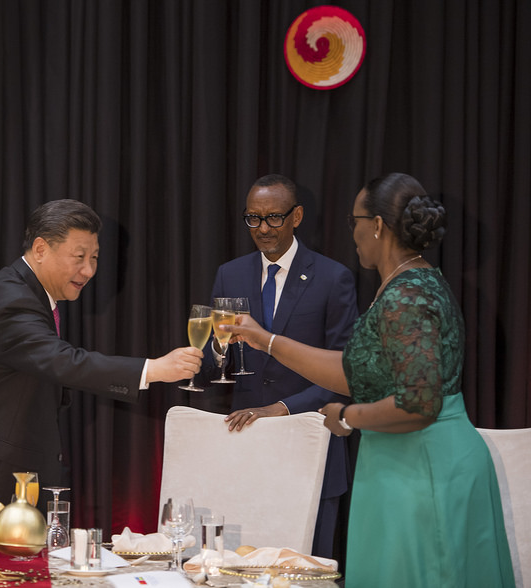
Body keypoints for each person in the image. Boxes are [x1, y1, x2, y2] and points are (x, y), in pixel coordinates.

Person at [220, 173, 514, 587]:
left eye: (354, 220)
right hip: (403, 463)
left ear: (376, 225)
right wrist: (263, 339)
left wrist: (348, 414)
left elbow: (418, 404)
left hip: (426, 467)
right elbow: (352, 369)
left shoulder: (407, 296)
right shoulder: (406, 283)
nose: (352, 231)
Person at [0, 199, 202, 538]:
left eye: (94, 258)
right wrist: (153, 369)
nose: (89, 270)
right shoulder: (12, 300)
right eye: (79, 257)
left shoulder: (28, 293)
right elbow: (63, 361)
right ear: (40, 249)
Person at [200, 174, 359, 557]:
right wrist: (214, 352)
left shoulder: (333, 277)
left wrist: (281, 409)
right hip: (248, 448)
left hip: (312, 442)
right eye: (253, 218)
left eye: (273, 218)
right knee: (244, 565)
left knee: (307, 568)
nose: (263, 228)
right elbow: (213, 360)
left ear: (297, 216)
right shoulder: (230, 273)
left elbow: (346, 373)